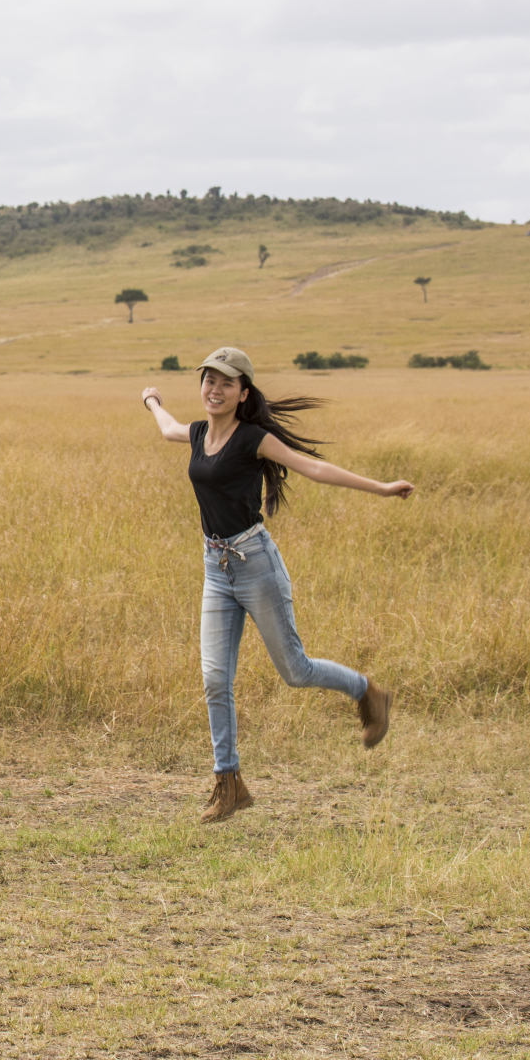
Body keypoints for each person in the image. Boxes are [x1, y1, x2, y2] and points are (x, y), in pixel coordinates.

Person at [142, 347, 414, 823]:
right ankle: (228, 783)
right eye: (209, 380)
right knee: (214, 678)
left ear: (243, 393)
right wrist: (151, 401)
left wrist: (382, 487)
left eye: (226, 382)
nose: (214, 388)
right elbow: (168, 429)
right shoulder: (200, 432)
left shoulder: (253, 438)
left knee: (295, 669)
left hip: (256, 565)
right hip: (216, 567)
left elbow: (315, 469)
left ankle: (367, 692)